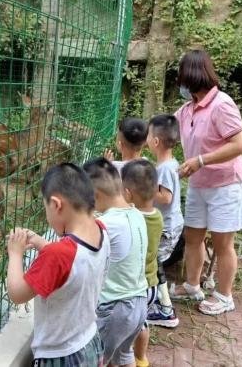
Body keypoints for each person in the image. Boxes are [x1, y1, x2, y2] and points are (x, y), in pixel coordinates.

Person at [6, 163, 110, 366]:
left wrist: (15, 254)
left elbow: (17, 294)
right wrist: (40, 243)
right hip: (90, 341)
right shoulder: (101, 231)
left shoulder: (58, 255)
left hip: (60, 356)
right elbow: (72, 263)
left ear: (56, 204)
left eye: (46, 209)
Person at [171, 49, 242, 316]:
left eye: (181, 76)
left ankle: (225, 296)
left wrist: (201, 161)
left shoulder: (222, 105)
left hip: (225, 184)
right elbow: (164, 130)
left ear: (191, 75)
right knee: (193, 237)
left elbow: (240, 145)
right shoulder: (187, 109)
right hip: (199, 184)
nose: (179, 83)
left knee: (223, 243)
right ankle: (193, 285)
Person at [83, 157, 148, 367]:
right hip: (139, 304)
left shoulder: (106, 223)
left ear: (95, 196)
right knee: (123, 354)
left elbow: (77, 245)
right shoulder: (137, 215)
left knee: (94, 360)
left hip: (115, 309)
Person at [119, 160, 172, 367]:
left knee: (126, 327)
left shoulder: (130, 217)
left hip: (134, 286)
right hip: (151, 285)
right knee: (142, 323)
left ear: (129, 194)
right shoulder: (157, 216)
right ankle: (141, 359)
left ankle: (124, 356)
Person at [145, 114, 182, 326]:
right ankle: (161, 304)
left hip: (167, 229)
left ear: (156, 141)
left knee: (152, 264)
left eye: (149, 136)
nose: (147, 139)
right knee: (153, 264)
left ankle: (165, 310)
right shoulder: (167, 164)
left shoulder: (165, 168)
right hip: (168, 226)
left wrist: (144, 187)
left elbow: (165, 198)